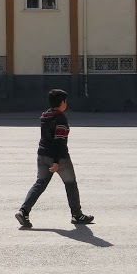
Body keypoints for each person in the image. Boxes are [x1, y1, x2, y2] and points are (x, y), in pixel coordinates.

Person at [16, 89, 94, 228]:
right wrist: (57, 162)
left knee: (40, 183)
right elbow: (59, 141)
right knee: (70, 184)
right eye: (65, 101)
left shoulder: (46, 115)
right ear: (62, 102)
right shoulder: (60, 118)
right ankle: (77, 215)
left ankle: (23, 211)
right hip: (59, 157)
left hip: (42, 154)